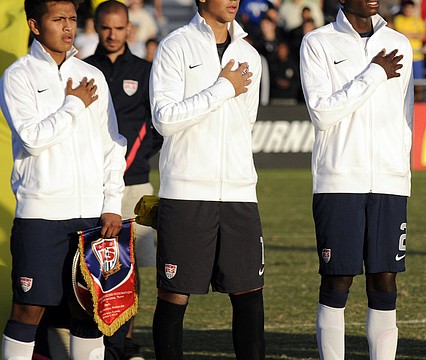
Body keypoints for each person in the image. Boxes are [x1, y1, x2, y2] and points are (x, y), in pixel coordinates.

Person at [0, 0, 126, 359]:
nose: (68, 27)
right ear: (35, 25)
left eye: (72, 19)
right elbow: (33, 139)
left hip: (90, 219)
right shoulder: (18, 75)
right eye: (58, 19)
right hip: (40, 217)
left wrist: (112, 204)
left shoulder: (93, 76)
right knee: (28, 312)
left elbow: (111, 145)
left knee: (89, 313)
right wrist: (72, 105)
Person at [149, 0, 265, 358]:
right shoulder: (175, 46)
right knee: (174, 295)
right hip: (186, 191)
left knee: (249, 294)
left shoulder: (249, 54)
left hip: (240, 193)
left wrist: (225, 91)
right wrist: (223, 88)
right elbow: (164, 119)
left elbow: (245, 122)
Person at [299, 0, 414, 356]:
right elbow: (322, 112)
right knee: (338, 279)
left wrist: (399, 169)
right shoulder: (318, 42)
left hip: (389, 182)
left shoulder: (401, 43)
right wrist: (374, 72)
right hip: (339, 181)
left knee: (385, 280)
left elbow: (404, 115)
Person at [84, 1, 162, 359]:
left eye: (119, 28)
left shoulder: (147, 71)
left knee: (131, 265)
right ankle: (93, 333)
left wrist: (139, 157)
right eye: (106, 28)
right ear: (96, 27)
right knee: (92, 262)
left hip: (136, 183)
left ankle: (124, 336)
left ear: (129, 29)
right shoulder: (83, 70)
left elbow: (158, 125)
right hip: (91, 185)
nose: (113, 35)